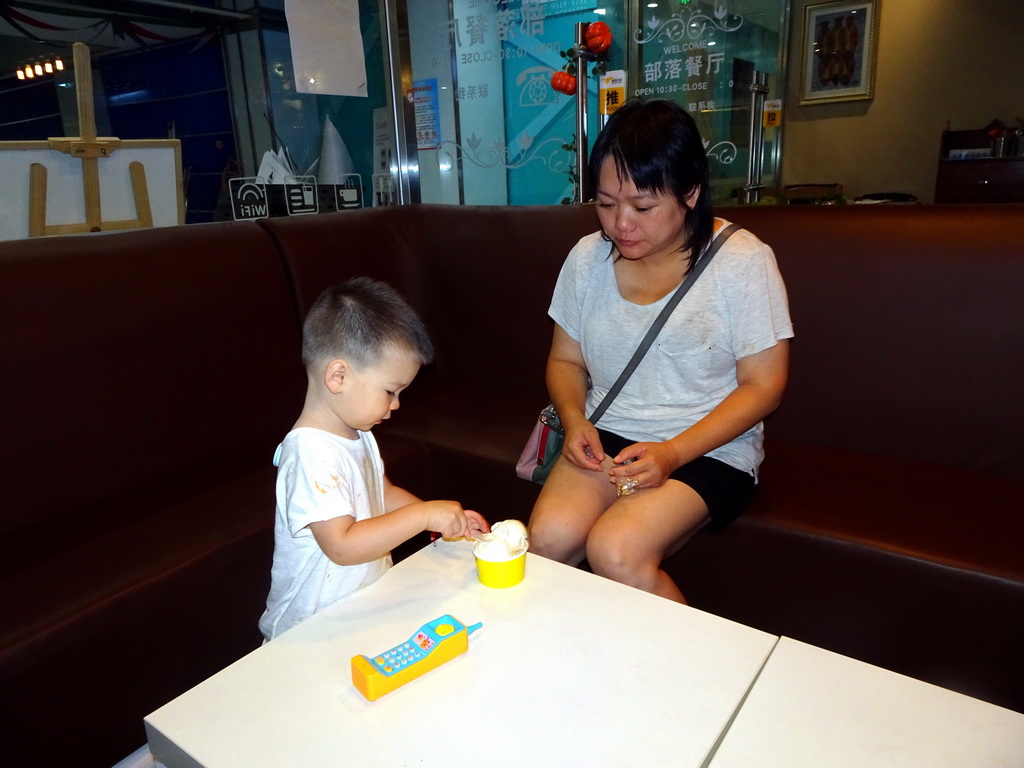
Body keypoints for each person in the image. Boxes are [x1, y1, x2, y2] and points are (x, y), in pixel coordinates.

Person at [527, 99, 793, 604]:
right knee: (546, 542)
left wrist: (672, 453)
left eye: (643, 207)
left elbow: (765, 386)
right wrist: (574, 418)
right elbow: (566, 360)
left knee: (616, 551)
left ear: (690, 193)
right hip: (606, 433)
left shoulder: (743, 262)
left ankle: (697, 674)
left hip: (707, 447)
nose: (621, 224)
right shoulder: (587, 259)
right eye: (605, 204)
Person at [259, 277, 489, 641]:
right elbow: (343, 545)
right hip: (308, 632)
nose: (396, 405)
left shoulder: (358, 433)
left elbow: (381, 492)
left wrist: (443, 518)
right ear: (338, 376)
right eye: (390, 391)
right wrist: (423, 515)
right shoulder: (309, 453)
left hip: (356, 611)